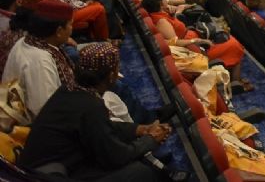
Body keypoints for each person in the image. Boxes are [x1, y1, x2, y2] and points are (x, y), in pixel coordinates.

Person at [18, 43, 169, 181]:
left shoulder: (69, 89)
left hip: (51, 166)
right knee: (140, 172)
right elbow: (116, 157)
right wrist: (150, 140)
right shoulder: (91, 105)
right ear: (111, 76)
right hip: (46, 176)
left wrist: (139, 130)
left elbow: (101, 129)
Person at [141, 0, 247, 85]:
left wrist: (177, 12)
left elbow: (174, 27)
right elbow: (176, 43)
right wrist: (196, 41)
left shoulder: (161, 13)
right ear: (160, 2)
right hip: (194, 50)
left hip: (194, 40)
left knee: (227, 38)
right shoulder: (161, 22)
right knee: (235, 44)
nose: (167, 0)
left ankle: (231, 78)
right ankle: (235, 83)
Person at [2, 0, 76, 117]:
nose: (72, 29)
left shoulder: (27, 41)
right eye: (70, 24)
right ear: (58, 31)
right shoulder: (40, 61)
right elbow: (44, 110)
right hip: (35, 124)